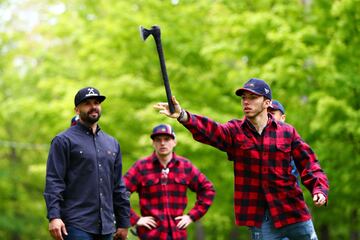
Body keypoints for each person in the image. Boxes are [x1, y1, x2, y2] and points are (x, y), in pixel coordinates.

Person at [154, 78, 329, 240]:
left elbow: (309, 162)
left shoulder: (287, 132)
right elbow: (211, 131)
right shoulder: (235, 131)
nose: (246, 101)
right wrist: (183, 115)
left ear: (267, 103)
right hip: (261, 218)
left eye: (253, 97)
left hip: (294, 211)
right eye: (244, 97)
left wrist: (319, 188)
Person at [44, 87, 130, 240]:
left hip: (107, 227)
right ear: (77, 110)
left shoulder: (112, 143)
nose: (93, 107)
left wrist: (123, 222)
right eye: (87, 104)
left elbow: (118, 186)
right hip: (75, 224)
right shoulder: (63, 141)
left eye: (96, 102)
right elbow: (54, 181)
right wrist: (54, 216)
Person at [124, 124, 215, 240]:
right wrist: (135, 219)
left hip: (177, 234)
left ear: (174, 142)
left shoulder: (185, 166)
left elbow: (208, 190)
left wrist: (191, 216)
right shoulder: (141, 167)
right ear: (153, 143)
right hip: (150, 235)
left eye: (167, 139)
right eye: (158, 140)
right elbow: (118, 193)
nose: (162, 143)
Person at [268, 100, 300, 185]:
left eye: (272, 114)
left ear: (283, 118)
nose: (268, 117)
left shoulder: (289, 137)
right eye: (266, 114)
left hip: (287, 192)